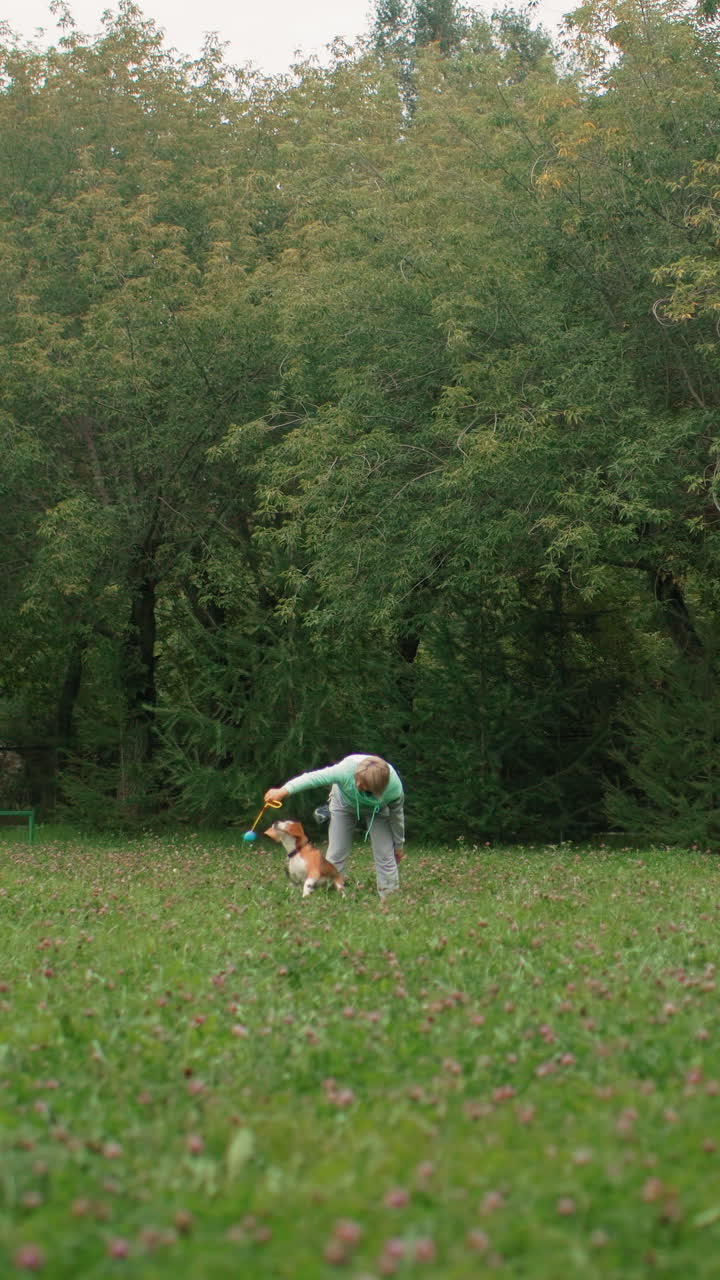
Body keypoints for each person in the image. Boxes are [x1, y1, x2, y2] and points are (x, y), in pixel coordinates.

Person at [264, 754, 405, 897]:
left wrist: (398, 846)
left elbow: (397, 818)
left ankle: (390, 899)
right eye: (357, 780)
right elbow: (313, 778)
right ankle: (329, 898)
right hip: (343, 804)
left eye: (364, 785)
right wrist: (283, 790)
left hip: (379, 810)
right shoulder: (345, 770)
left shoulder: (393, 790)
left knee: (386, 855)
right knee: (336, 853)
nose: (358, 785)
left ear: (378, 786)